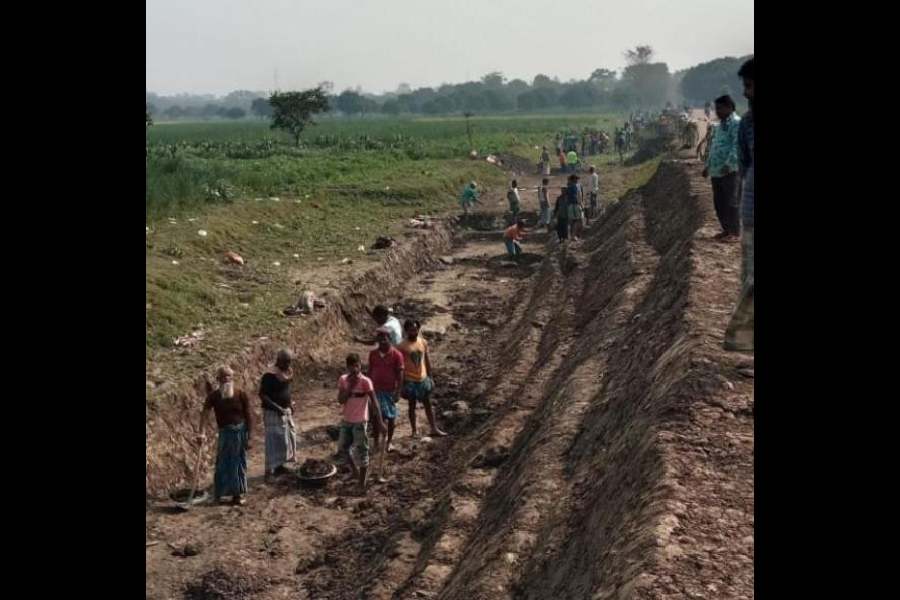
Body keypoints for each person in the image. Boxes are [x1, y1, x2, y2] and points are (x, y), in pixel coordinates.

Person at [725, 58, 754, 352]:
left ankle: (740, 339)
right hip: (752, 210)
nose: (744, 93)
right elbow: (745, 165)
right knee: (750, 277)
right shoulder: (746, 123)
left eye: (748, 86)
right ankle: (746, 344)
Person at [201, 366, 253, 506]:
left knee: (238, 464)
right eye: (224, 377)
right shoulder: (214, 396)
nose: (227, 379)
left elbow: (248, 416)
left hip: (239, 433)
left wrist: (249, 436)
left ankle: (237, 495)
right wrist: (201, 433)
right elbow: (204, 413)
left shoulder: (240, 394)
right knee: (222, 464)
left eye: (229, 376)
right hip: (225, 434)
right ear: (218, 379)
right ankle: (219, 494)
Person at [337, 353, 385, 494]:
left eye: (357, 366)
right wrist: (350, 387)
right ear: (347, 367)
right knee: (343, 448)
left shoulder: (365, 382)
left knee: (362, 451)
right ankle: (355, 472)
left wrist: (380, 422)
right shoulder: (343, 380)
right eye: (351, 366)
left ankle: (362, 484)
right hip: (347, 420)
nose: (354, 369)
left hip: (360, 421)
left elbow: (375, 403)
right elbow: (340, 400)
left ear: (360, 365)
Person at [702, 95, 742, 242]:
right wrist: (708, 166)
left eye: (720, 108)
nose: (717, 111)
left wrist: (729, 164)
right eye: (716, 108)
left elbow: (737, 146)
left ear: (730, 107)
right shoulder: (720, 125)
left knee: (731, 202)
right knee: (719, 203)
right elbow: (714, 147)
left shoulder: (737, 124)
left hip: (730, 171)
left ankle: (735, 233)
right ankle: (726, 230)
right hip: (716, 171)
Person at [398, 320, 446, 437]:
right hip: (410, 379)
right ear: (406, 330)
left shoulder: (423, 342)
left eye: (415, 329)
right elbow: (400, 365)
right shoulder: (401, 346)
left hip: (423, 378)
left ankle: (434, 428)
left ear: (418, 329)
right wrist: (402, 382)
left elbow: (427, 360)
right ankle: (414, 430)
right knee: (412, 405)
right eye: (411, 330)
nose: (413, 332)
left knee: (428, 403)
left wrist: (430, 377)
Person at [259, 349, 297, 481]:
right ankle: (269, 471)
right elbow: (262, 395)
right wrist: (277, 408)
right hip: (272, 412)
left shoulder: (287, 372)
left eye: (289, 362)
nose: (288, 364)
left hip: (284, 411)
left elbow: (286, 390)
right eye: (286, 362)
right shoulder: (270, 375)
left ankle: (280, 466)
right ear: (279, 361)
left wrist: (290, 403)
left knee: (285, 439)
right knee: (273, 441)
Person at [368, 328, 404, 454]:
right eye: (380, 338)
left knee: (391, 417)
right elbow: (370, 371)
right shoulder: (373, 354)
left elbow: (400, 375)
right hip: (375, 391)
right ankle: (377, 442)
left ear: (389, 339)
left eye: (385, 337)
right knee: (376, 417)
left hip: (389, 391)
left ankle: (389, 442)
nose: (383, 340)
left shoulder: (396, 355)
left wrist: (398, 391)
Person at [567, 174, 584, 240]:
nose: (577, 180)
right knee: (578, 220)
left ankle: (573, 235)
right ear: (574, 179)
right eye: (576, 179)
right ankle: (574, 235)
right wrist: (581, 204)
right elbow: (578, 196)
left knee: (572, 221)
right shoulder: (577, 186)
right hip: (576, 205)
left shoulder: (569, 187)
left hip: (570, 205)